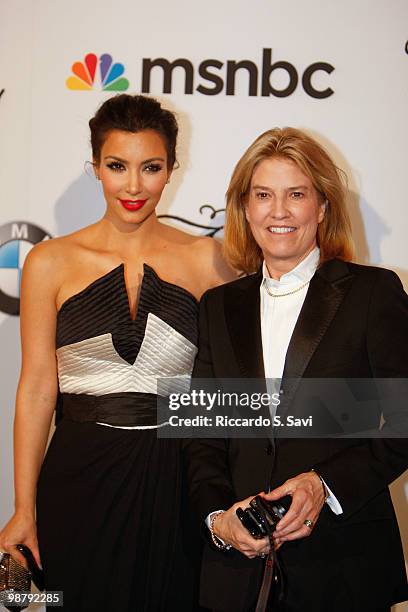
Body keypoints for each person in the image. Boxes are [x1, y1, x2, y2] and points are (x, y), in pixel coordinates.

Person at [0, 94, 235, 611]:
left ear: (172, 168)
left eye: (150, 167)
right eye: (116, 166)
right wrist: (23, 508)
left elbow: (229, 383)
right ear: (96, 168)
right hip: (79, 474)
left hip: (179, 475)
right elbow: (39, 387)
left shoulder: (210, 260)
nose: (133, 186)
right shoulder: (50, 261)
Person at [184, 127, 408, 612]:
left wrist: (320, 485)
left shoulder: (373, 292)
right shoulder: (217, 306)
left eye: (297, 195)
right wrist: (219, 519)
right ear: (245, 208)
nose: (279, 211)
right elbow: (200, 432)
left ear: (323, 207)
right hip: (235, 575)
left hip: (343, 566)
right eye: (263, 195)